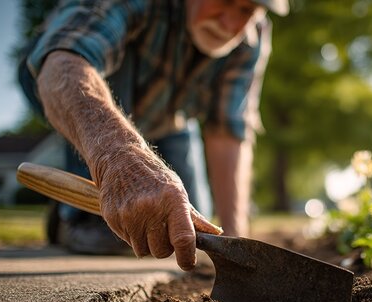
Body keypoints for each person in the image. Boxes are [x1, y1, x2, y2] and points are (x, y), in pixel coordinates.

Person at [18, 0, 289, 270]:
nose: (230, 24)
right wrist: (120, 159)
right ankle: (75, 218)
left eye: (245, 10)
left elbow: (227, 131)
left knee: (191, 223)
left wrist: (236, 240)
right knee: (116, 231)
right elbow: (64, 60)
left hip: (167, 117)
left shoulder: (251, 37)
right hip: (77, 90)